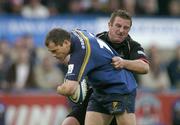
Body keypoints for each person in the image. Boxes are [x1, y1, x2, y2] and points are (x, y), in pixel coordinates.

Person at [46, 9, 149, 125]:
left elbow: (145, 67)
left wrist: (124, 62)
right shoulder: (97, 39)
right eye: (118, 26)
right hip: (96, 91)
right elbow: (80, 58)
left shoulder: (132, 46)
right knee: (69, 122)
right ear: (109, 25)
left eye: (126, 28)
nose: (121, 31)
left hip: (119, 90)